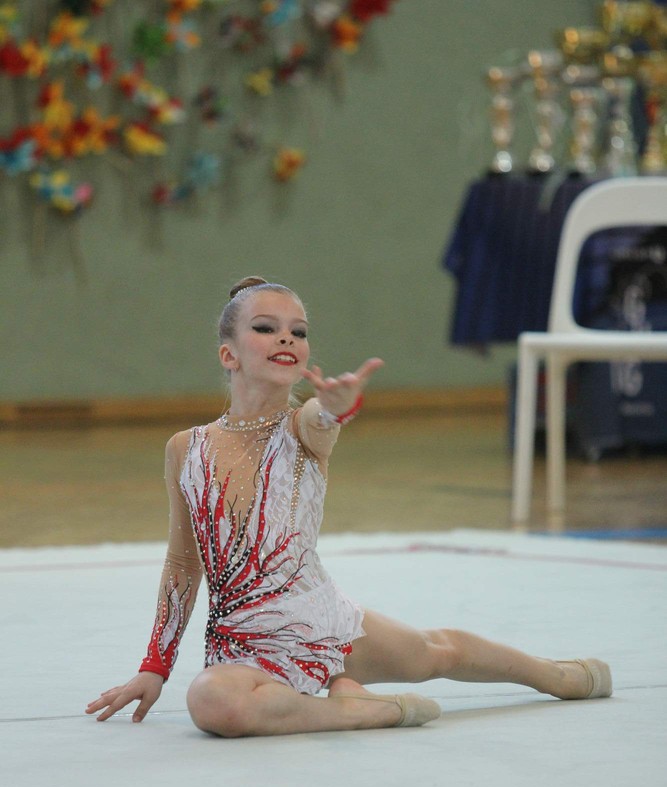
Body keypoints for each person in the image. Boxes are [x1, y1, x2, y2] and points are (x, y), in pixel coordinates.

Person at [86, 276, 612, 737]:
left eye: (299, 331)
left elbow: (324, 416)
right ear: (229, 355)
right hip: (242, 647)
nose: (287, 338)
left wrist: (339, 405)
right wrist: (155, 665)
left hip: (321, 623)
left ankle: (557, 675)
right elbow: (183, 562)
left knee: (435, 653)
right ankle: (355, 707)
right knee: (212, 701)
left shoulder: (301, 429)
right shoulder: (186, 448)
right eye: (266, 328)